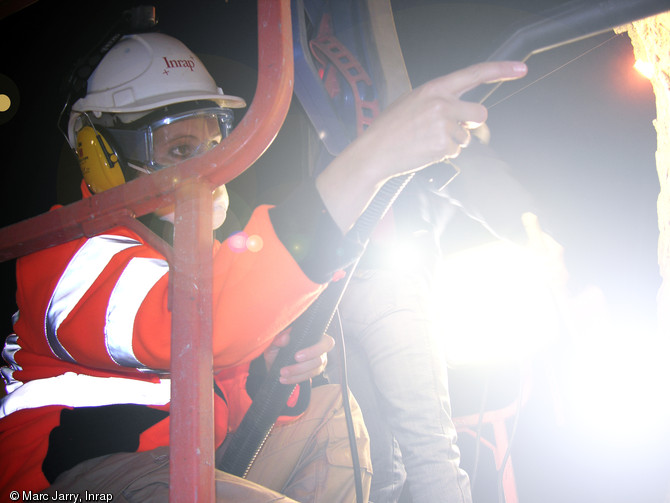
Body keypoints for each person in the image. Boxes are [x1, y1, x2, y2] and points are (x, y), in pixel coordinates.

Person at [0, 25, 527, 503]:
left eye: (214, 141)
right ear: (100, 153)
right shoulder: (67, 250)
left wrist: (275, 372)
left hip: (188, 462)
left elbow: (228, 394)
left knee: (329, 421)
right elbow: (195, 325)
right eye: (179, 148)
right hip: (73, 484)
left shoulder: (192, 264)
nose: (208, 166)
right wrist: (373, 158)